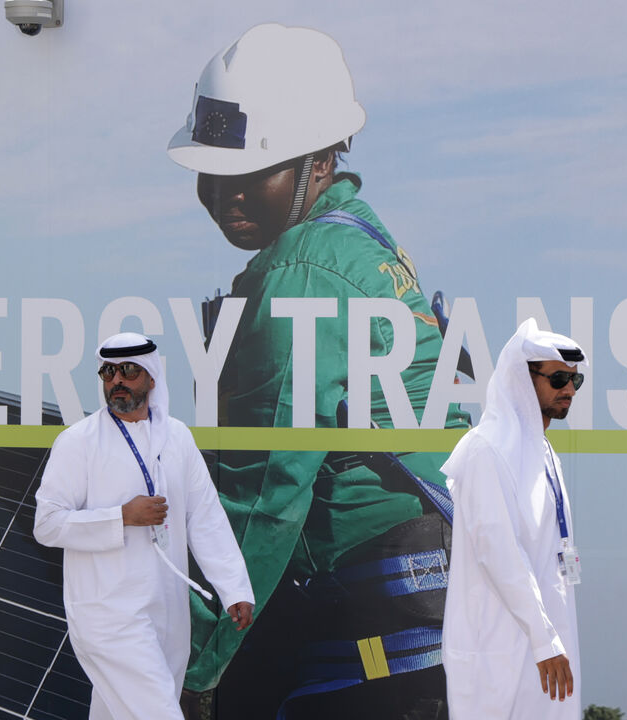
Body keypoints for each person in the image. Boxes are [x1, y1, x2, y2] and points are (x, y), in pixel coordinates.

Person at [167, 23, 469, 719]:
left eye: (252, 172)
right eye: (211, 172)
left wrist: (193, 665)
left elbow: (267, 488)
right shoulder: (364, 244)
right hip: (419, 633)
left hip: (380, 651)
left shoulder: (303, 274)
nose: (225, 193)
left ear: (322, 162)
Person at [33, 332, 255, 720]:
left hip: (167, 611)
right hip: (108, 614)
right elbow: (47, 525)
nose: (116, 380)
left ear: (151, 377)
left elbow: (205, 516)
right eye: (108, 372)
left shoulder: (178, 438)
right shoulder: (77, 442)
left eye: (128, 371)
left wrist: (233, 586)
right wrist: (121, 516)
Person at [440, 319, 586, 719]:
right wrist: (544, 640)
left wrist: (550, 640)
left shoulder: (545, 454)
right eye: (558, 379)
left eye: (576, 381)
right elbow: (500, 553)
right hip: (497, 651)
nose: (569, 391)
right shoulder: (487, 450)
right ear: (523, 377)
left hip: (548, 647)